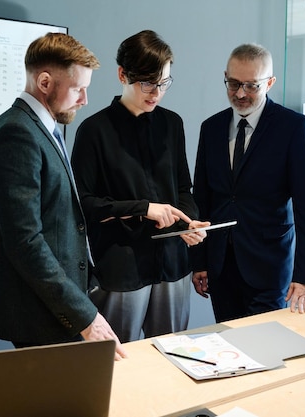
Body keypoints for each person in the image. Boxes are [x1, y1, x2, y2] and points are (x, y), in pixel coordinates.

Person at [0, 32, 127, 359]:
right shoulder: (16, 134)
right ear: (44, 82)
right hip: (40, 313)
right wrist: (84, 316)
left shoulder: (41, 127)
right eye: (77, 88)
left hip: (56, 306)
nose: (85, 99)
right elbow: (24, 242)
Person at [71, 30, 209, 343]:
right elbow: (84, 204)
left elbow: (183, 190)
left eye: (164, 83)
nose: (156, 92)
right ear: (122, 74)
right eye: (148, 82)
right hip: (123, 268)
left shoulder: (171, 124)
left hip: (172, 263)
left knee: (176, 355)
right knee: (118, 363)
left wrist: (189, 222)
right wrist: (143, 209)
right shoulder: (94, 130)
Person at [191, 43, 305, 323]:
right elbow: (202, 197)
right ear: (225, 76)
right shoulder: (210, 128)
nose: (240, 93)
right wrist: (199, 262)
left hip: (269, 266)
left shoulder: (293, 128)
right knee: (228, 345)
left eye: (251, 86)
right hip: (220, 265)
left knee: (264, 348)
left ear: (270, 82)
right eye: (234, 83)